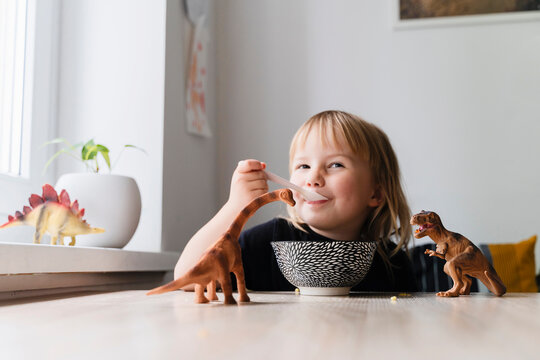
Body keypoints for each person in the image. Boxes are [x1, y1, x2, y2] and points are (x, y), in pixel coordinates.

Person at [175, 110, 417, 292]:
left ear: (375, 193)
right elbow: (187, 278)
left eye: (335, 165)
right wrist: (235, 206)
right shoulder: (269, 242)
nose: (312, 178)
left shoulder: (394, 264)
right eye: (303, 165)